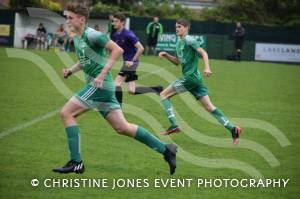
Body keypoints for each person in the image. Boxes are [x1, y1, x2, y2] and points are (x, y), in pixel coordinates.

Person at [52, 3, 177, 175]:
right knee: (122, 127)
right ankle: (166, 150)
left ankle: (76, 162)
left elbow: (117, 50)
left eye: (70, 18)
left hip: (100, 86)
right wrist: (71, 71)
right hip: (104, 86)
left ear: (82, 19)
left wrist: (102, 74)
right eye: (67, 17)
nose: (67, 21)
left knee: (66, 113)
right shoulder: (77, 37)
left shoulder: (93, 35)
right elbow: (84, 60)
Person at [158, 19, 241, 144]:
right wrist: (166, 55)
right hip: (195, 80)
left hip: (190, 78)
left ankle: (174, 125)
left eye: (179, 27)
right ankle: (233, 129)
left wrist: (207, 67)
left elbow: (203, 52)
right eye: (176, 27)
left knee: (163, 95)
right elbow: (177, 62)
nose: (177, 29)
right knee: (209, 107)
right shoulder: (179, 43)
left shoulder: (189, 40)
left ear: (186, 28)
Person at [112, 13, 163, 106]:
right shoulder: (116, 35)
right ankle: (156, 89)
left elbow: (141, 48)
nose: (113, 23)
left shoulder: (128, 34)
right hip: (127, 63)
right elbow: (119, 50)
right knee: (132, 91)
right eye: (113, 21)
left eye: (116, 21)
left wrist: (132, 60)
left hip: (131, 63)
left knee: (116, 83)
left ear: (122, 22)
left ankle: (117, 109)